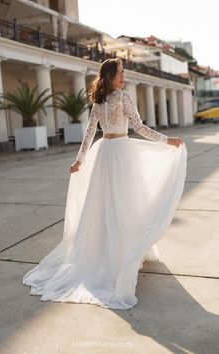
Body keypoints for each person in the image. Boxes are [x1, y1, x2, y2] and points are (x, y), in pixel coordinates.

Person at [23, 58, 187, 310]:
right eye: (121, 73)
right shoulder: (118, 98)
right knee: (120, 205)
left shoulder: (103, 100)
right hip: (119, 152)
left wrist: (81, 160)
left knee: (120, 204)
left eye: (123, 73)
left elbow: (92, 134)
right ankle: (116, 257)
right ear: (109, 75)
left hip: (107, 152)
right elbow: (134, 128)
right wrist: (167, 140)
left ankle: (118, 253)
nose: (124, 77)